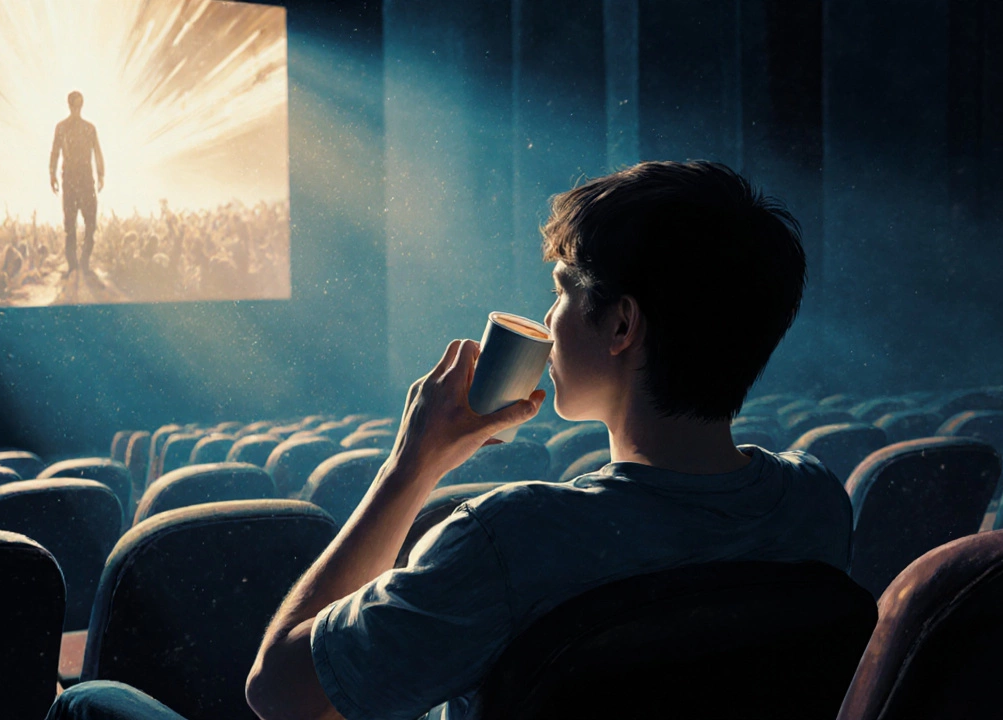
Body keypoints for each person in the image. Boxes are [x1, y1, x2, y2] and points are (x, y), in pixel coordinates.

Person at [45, 161, 852, 720]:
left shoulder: (509, 541)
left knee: (86, 703)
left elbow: (279, 693)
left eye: (561, 291)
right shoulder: (816, 505)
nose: (548, 317)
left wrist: (412, 466)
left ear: (622, 324)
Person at [49, 91, 105, 282]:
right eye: (74, 104)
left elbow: (97, 152)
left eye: (80, 104)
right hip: (70, 180)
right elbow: (55, 152)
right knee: (70, 225)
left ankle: (84, 263)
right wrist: (52, 174)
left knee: (91, 224)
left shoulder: (89, 128)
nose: (77, 108)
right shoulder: (61, 128)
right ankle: (73, 266)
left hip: (86, 179)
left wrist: (101, 174)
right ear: (69, 105)